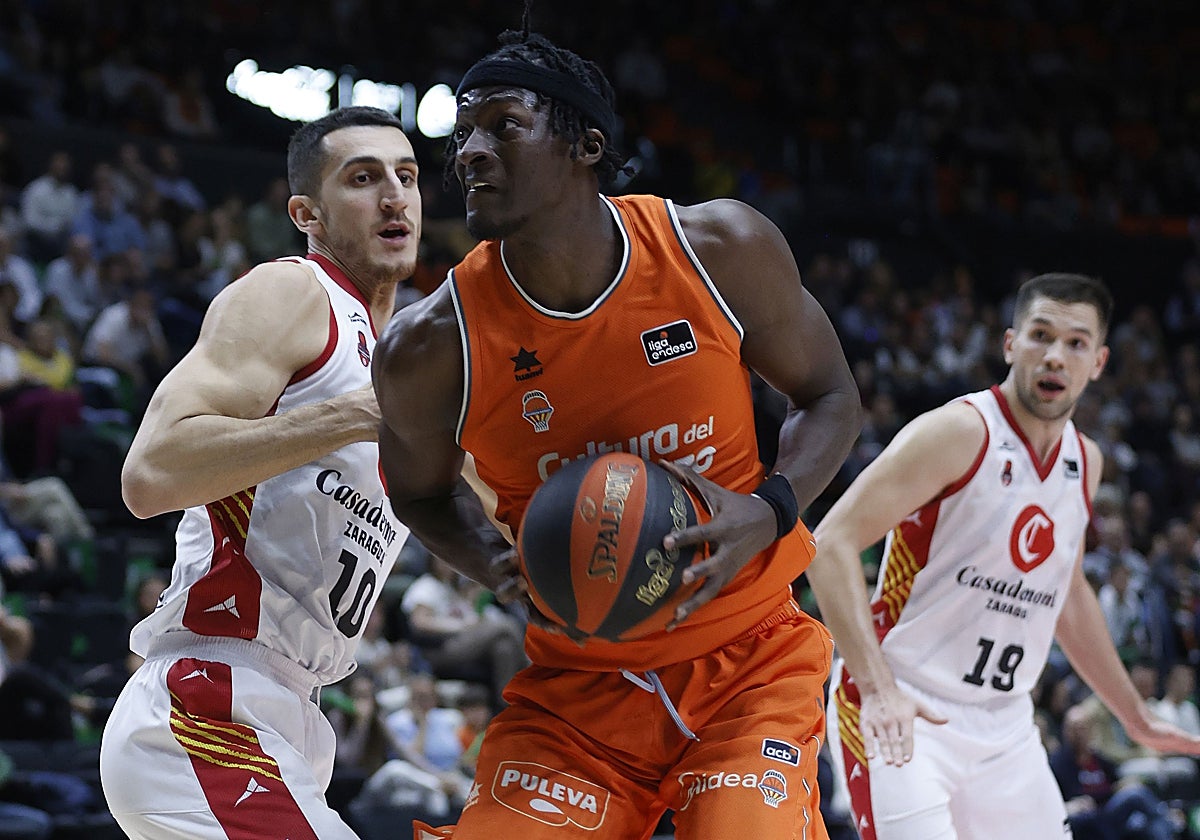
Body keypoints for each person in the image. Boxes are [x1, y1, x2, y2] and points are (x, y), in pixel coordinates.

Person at [372, 23, 860, 840]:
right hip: (578, 693)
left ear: (586, 145)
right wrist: (498, 565)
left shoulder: (716, 251)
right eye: (462, 134)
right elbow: (418, 492)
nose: (469, 153)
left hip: (751, 657)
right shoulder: (430, 346)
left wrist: (770, 508)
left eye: (504, 126)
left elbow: (833, 395)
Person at [97, 105, 421, 840]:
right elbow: (150, 473)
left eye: (406, 176)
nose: (395, 197)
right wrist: (350, 417)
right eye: (364, 178)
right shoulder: (294, 294)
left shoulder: (403, 352)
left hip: (293, 718)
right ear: (305, 211)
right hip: (209, 704)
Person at [809, 273, 1200, 839]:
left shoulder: (1084, 462)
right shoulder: (958, 432)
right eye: (1041, 335)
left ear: (1099, 362)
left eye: (1076, 343)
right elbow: (831, 543)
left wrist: (1135, 717)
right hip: (905, 704)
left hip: (1006, 724)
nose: (1055, 357)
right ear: (1011, 343)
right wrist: (877, 689)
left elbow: (1064, 593)